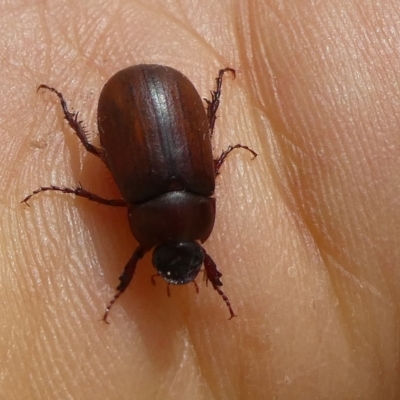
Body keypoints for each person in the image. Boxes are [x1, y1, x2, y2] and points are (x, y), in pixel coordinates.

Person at [2, 1, 399, 399]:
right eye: (203, 264)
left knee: (97, 150)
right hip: (154, 100)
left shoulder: (188, 198)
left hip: (142, 105)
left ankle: (86, 106)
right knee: (100, 148)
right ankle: (198, 93)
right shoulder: (181, 202)